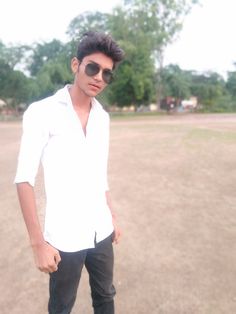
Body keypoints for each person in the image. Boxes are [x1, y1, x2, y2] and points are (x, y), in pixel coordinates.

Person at [14, 31, 124, 314]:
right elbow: (24, 179)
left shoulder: (102, 117)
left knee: (105, 296)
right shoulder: (43, 112)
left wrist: (111, 214)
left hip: (101, 229)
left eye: (107, 74)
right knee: (61, 306)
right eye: (93, 67)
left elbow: (100, 172)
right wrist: (38, 244)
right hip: (64, 236)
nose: (99, 77)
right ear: (76, 65)